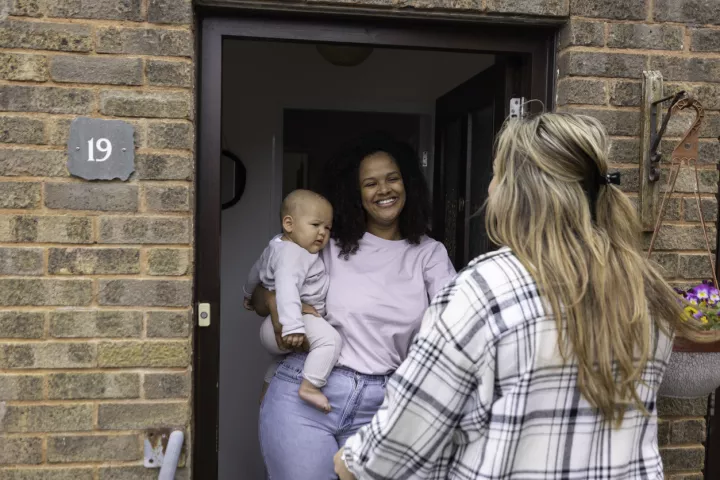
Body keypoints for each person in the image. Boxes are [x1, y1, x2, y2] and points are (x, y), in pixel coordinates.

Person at [334, 113, 704, 479]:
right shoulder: (643, 287)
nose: (490, 187)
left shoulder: (485, 291)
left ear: (519, 190)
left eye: (496, 174)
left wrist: (350, 462)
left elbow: (402, 442)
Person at [249, 133, 456, 479]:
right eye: (370, 183)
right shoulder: (328, 245)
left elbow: (456, 327)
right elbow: (258, 296)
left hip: (384, 407)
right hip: (306, 396)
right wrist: (275, 305)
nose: (384, 190)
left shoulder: (429, 254)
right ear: (355, 194)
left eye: (392, 178)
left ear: (407, 183)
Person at [243, 189, 339, 412]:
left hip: (278, 324)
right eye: (315, 225)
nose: (322, 233)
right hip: (289, 322)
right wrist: (293, 326)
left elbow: (255, 271)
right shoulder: (295, 254)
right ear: (289, 224)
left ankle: (267, 389)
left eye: (327, 228)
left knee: (286, 360)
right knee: (330, 341)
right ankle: (310, 387)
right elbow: (286, 288)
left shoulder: (276, 246)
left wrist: (247, 294)